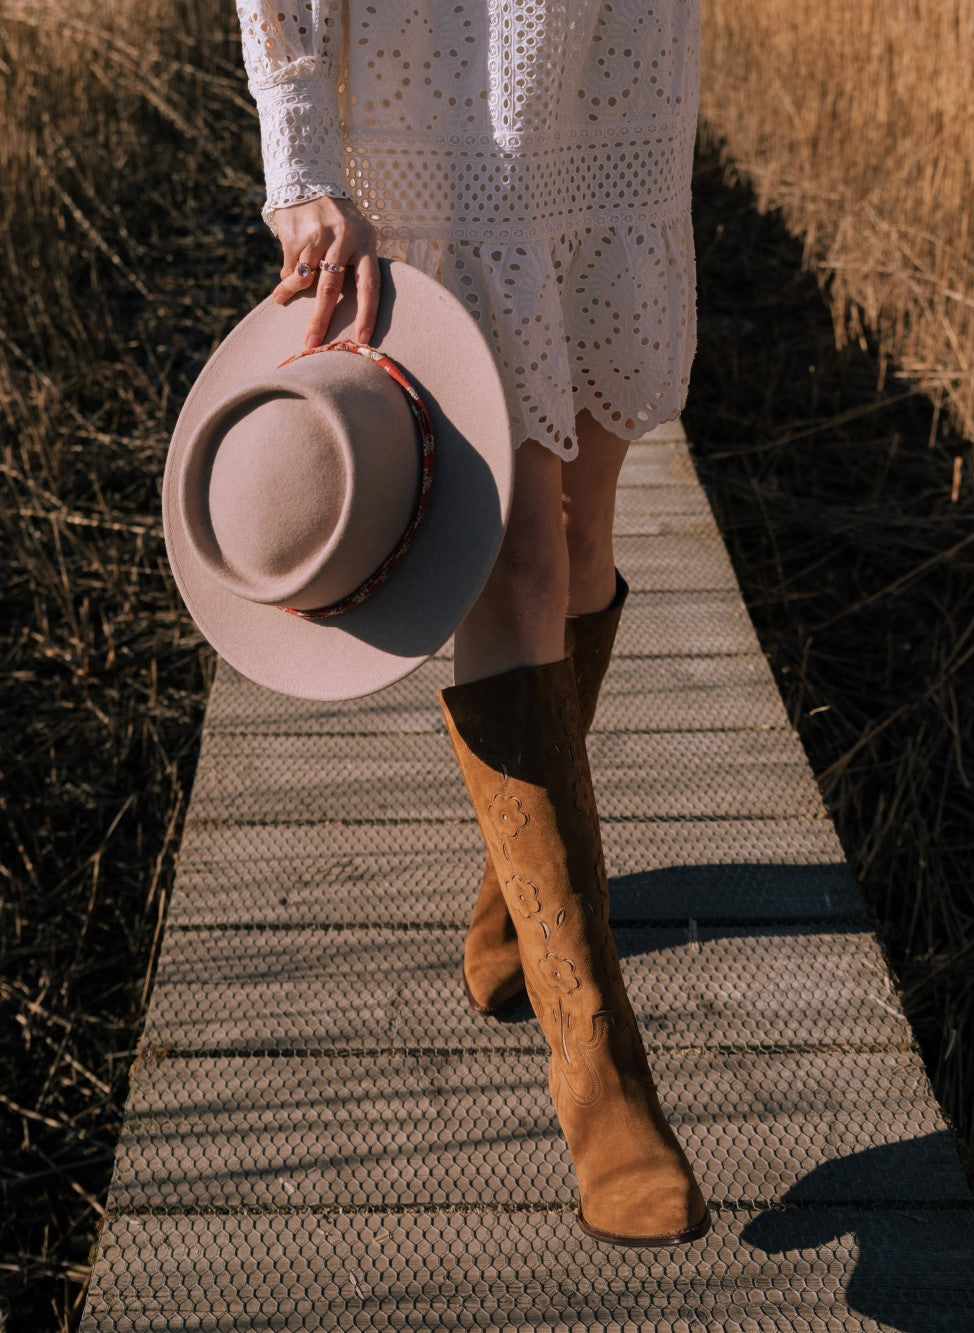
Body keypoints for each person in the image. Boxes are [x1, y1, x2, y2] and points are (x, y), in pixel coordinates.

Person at [236, 0, 708, 1246]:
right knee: (522, 561)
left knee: (587, 530)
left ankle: (516, 903)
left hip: (614, 68)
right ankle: (597, 1071)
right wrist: (297, 144)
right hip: (444, 90)